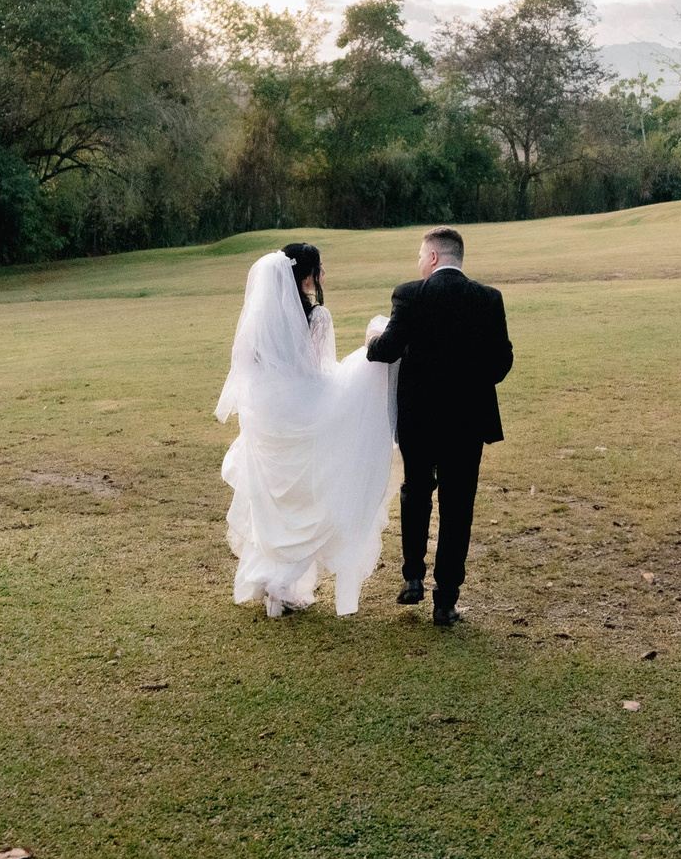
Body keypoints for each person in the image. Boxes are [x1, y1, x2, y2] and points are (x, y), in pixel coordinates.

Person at [214, 242, 399, 616]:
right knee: (305, 498)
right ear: (308, 276)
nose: (323, 275)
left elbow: (248, 368)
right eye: (320, 269)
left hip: (267, 419)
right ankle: (283, 583)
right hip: (302, 414)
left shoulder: (261, 318)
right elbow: (319, 371)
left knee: (273, 500)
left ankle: (274, 583)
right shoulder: (318, 317)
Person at [366, 226, 513, 626]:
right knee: (457, 506)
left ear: (433, 257)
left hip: (419, 418)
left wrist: (371, 341)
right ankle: (446, 600)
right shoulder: (489, 298)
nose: (418, 262)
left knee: (416, 491)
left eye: (420, 255)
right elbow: (501, 362)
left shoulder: (409, 294)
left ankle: (412, 577)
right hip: (468, 420)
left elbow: (387, 350)